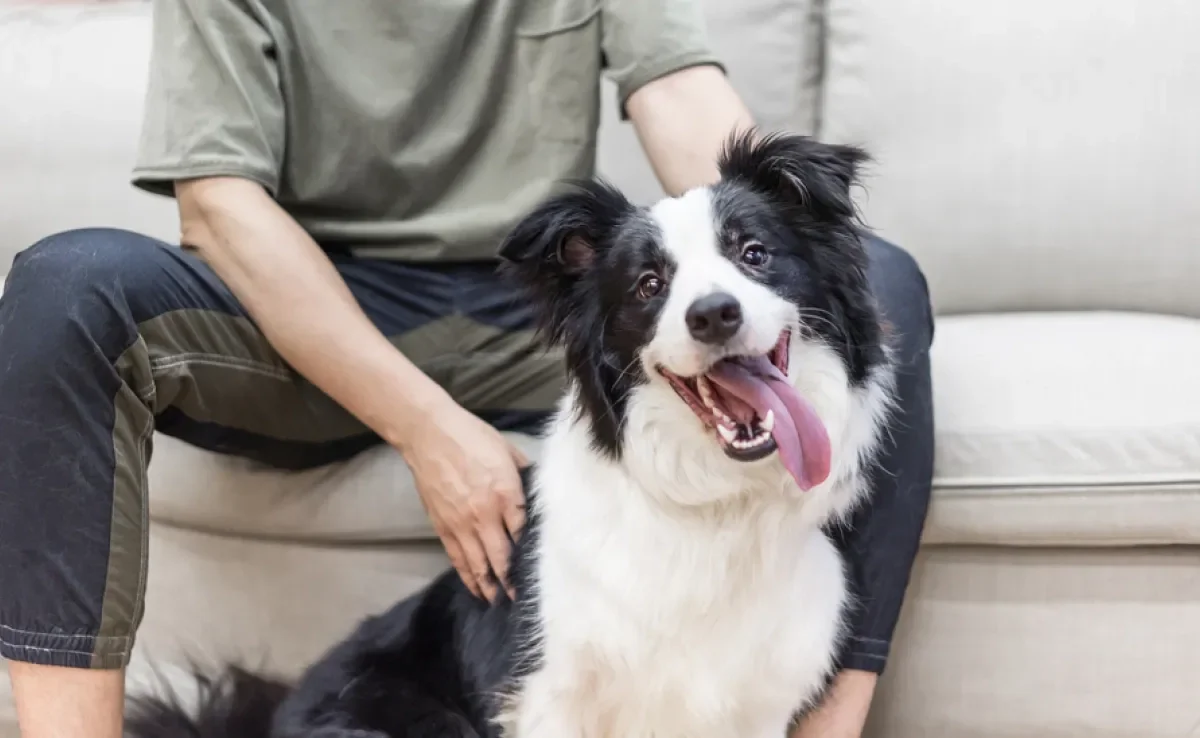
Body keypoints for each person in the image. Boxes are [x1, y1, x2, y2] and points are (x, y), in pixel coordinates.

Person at [0, 0, 934, 735]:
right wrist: (429, 428)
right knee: (68, 286)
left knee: (878, 277)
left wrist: (756, 254)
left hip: (534, 311)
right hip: (314, 307)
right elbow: (219, 209)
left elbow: (685, 105)